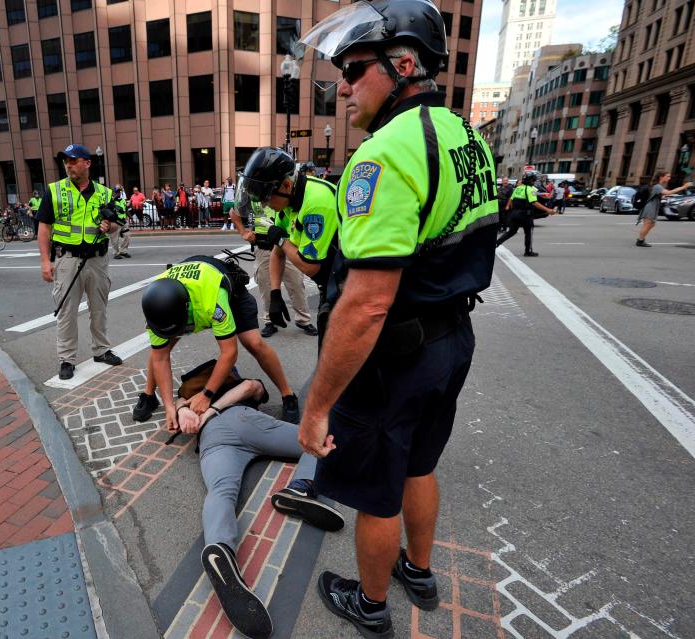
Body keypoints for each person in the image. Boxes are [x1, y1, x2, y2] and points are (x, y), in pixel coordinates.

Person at [295, 2, 500, 635]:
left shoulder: (383, 154)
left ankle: (373, 606)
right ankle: (420, 570)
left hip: (394, 356)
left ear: (403, 64)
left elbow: (367, 302)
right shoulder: (468, 139)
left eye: (354, 71)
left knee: (377, 491)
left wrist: (318, 405)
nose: (344, 88)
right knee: (420, 463)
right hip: (452, 339)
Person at [170, 363, 343, 639]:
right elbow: (253, 387)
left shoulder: (187, 399)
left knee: (221, 491)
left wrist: (184, 410)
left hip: (212, 440)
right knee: (313, 441)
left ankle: (220, 548)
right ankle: (299, 488)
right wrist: (216, 405)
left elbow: (175, 411)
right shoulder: (233, 383)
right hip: (242, 420)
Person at [133, 255, 301, 426]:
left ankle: (288, 394)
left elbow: (229, 353)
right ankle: (149, 395)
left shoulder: (212, 301)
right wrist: (169, 405)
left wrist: (207, 394)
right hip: (184, 298)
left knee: (253, 343)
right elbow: (160, 357)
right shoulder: (155, 307)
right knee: (161, 348)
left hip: (230, 295)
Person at [37, 144, 124, 380]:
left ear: (87, 163)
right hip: (67, 260)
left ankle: (101, 350)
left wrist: (109, 226)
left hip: (97, 260)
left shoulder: (106, 193)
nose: (68, 165)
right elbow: (44, 227)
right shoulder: (54, 190)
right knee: (66, 312)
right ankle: (67, 359)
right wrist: (46, 261)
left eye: (73, 161)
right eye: (66, 161)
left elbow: (119, 221)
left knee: (99, 308)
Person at [236, 147, 338, 343]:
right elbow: (278, 252)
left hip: (347, 284)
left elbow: (310, 267)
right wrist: (275, 294)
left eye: (266, 197)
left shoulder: (316, 202)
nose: (265, 205)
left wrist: (282, 239)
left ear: (285, 185)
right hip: (331, 282)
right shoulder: (288, 202)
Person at [496, 170, 556, 257]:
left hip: (515, 214)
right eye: (533, 180)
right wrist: (548, 210)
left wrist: (509, 208)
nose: (534, 182)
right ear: (530, 180)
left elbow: (511, 199)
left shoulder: (517, 188)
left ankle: (497, 243)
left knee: (511, 232)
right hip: (525, 215)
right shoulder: (530, 189)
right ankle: (528, 251)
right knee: (528, 233)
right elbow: (534, 203)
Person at [636, 172, 692, 247]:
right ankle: (640, 240)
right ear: (661, 177)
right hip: (650, 207)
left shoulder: (659, 186)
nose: (669, 178)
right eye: (667, 176)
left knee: (651, 224)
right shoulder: (657, 186)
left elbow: (662, 195)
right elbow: (668, 192)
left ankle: (641, 239)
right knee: (648, 224)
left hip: (653, 207)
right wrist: (683, 187)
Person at [110, 186, 131, 259]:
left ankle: (124, 251)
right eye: (116, 192)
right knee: (115, 239)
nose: (118, 193)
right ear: (113, 193)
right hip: (115, 222)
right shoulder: (111, 201)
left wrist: (130, 217)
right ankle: (116, 253)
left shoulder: (122, 200)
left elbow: (125, 209)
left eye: (119, 192)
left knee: (127, 235)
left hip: (124, 221)